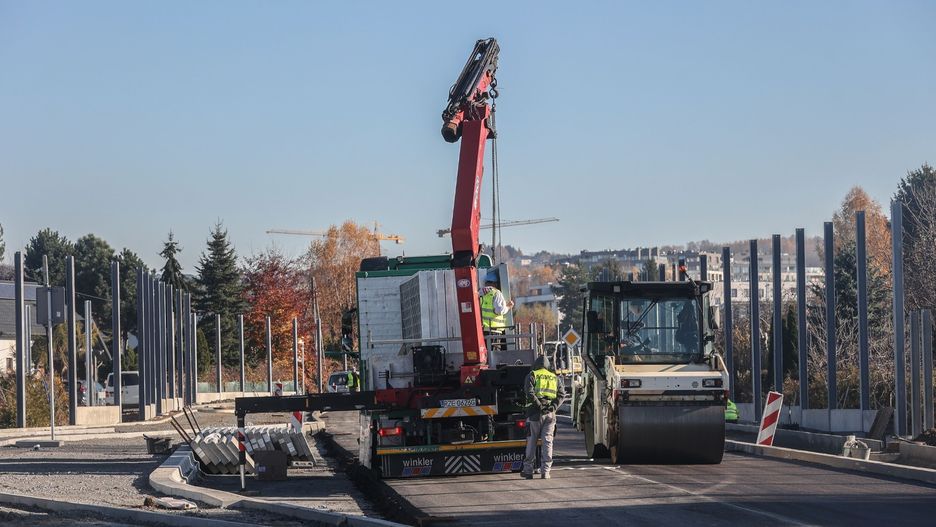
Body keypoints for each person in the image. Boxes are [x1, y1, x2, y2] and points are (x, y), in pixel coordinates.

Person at [521, 354, 564, 480]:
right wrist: (553, 407)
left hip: (534, 414)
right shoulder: (554, 377)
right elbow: (561, 394)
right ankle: (546, 472)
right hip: (550, 415)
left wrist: (539, 406)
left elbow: (529, 393)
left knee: (531, 442)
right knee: (548, 442)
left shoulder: (532, 375)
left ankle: (528, 471)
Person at [479, 272, 514, 350]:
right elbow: (499, 310)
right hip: (494, 329)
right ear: (495, 283)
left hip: (484, 329)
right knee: (494, 353)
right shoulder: (496, 293)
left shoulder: (480, 293)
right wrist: (508, 307)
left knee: (486, 351)